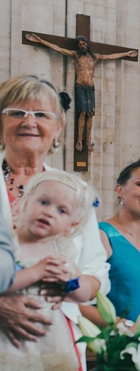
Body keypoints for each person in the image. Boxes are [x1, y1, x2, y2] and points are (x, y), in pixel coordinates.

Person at [0, 74, 110, 350]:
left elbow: (96, 271)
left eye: (41, 114)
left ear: (58, 128)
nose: (29, 122)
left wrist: (72, 281)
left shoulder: (74, 192)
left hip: (58, 340)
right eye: (16, 113)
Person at [0, 170, 101, 371]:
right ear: (25, 203)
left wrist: (70, 283)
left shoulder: (62, 251)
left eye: (62, 211)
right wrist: (37, 272)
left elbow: (82, 295)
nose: (49, 212)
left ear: (71, 225)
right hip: (9, 340)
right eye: (43, 202)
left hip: (51, 341)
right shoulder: (9, 244)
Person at [24, 34, 137, 151]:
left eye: (83, 43)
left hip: (90, 87)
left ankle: (88, 141)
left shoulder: (94, 57)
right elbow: (58, 48)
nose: (82, 46)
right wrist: (40, 40)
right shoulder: (76, 55)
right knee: (82, 112)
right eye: (80, 45)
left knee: (91, 113)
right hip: (80, 86)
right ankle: (79, 140)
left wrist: (126, 54)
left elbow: (110, 56)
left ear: (87, 44)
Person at [95, 160, 140, 329]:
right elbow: (77, 302)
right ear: (120, 189)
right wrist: (127, 328)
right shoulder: (102, 236)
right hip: (114, 347)